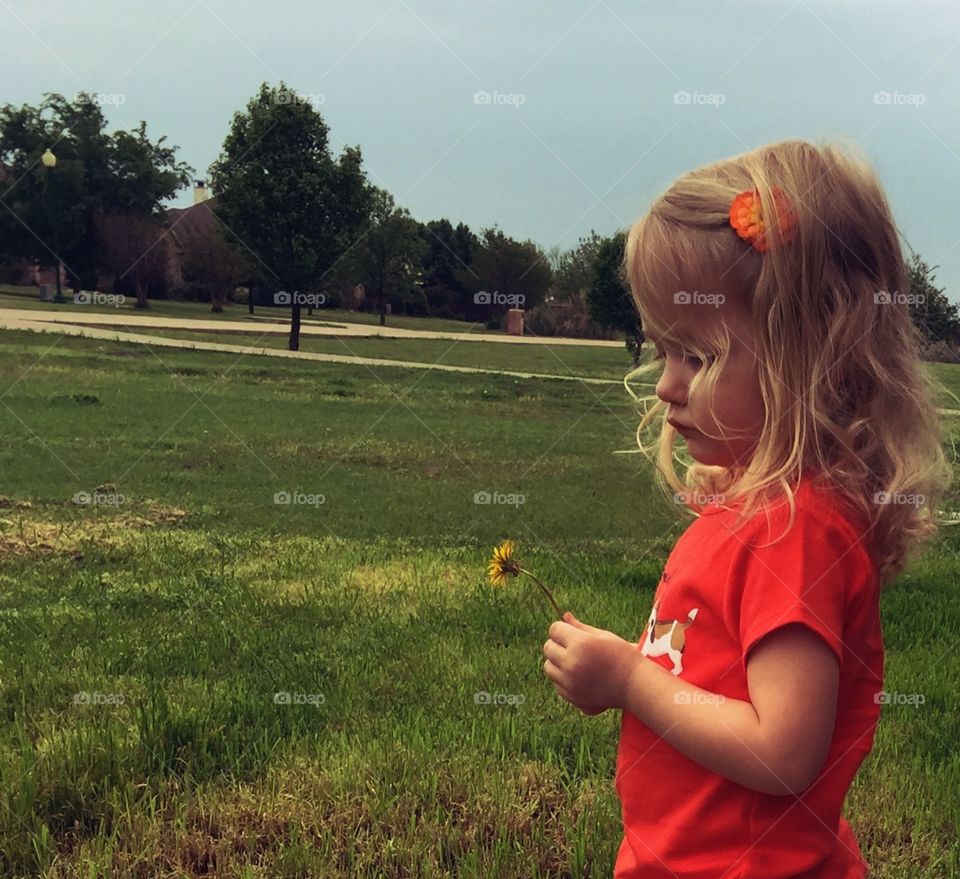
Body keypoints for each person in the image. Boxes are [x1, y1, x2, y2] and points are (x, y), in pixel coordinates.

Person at [541, 138, 952, 878]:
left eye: (696, 356)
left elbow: (783, 749)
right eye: (662, 350)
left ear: (810, 358)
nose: (666, 385)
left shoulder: (796, 532)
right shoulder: (769, 513)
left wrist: (632, 679)